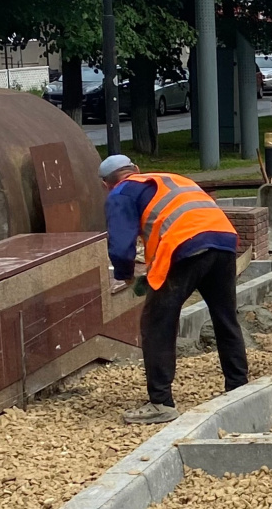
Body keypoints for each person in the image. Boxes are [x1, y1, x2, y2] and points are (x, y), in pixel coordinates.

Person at [100, 155, 247, 425]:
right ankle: (239, 388)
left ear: (105, 185)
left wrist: (125, 274)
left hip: (184, 246)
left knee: (157, 323)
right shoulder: (171, 179)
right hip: (224, 240)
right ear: (136, 169)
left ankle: (161, 403)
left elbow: (120, 246)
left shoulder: (120, 192)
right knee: (225, 317)